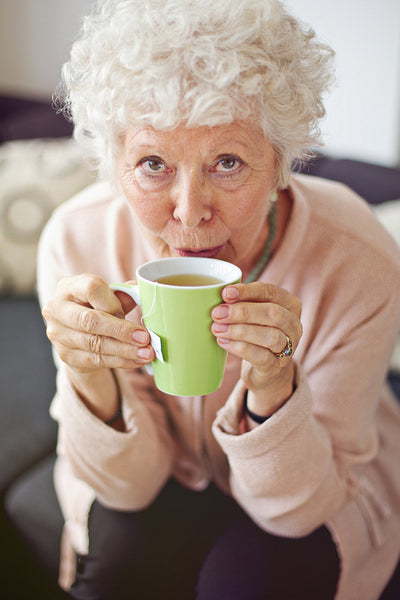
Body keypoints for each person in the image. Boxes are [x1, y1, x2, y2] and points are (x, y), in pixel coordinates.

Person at [37, 0, 400, 598]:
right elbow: (125, 489)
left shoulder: (359, 259)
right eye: (152, 164)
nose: (188, 211)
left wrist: (273, 389)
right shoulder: (75, 242)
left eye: (227, 162)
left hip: (314, 485)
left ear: (281, 162)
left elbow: (297, 511)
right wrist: (88, 377)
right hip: (153, 469)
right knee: (118, 568)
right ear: (115, 165)